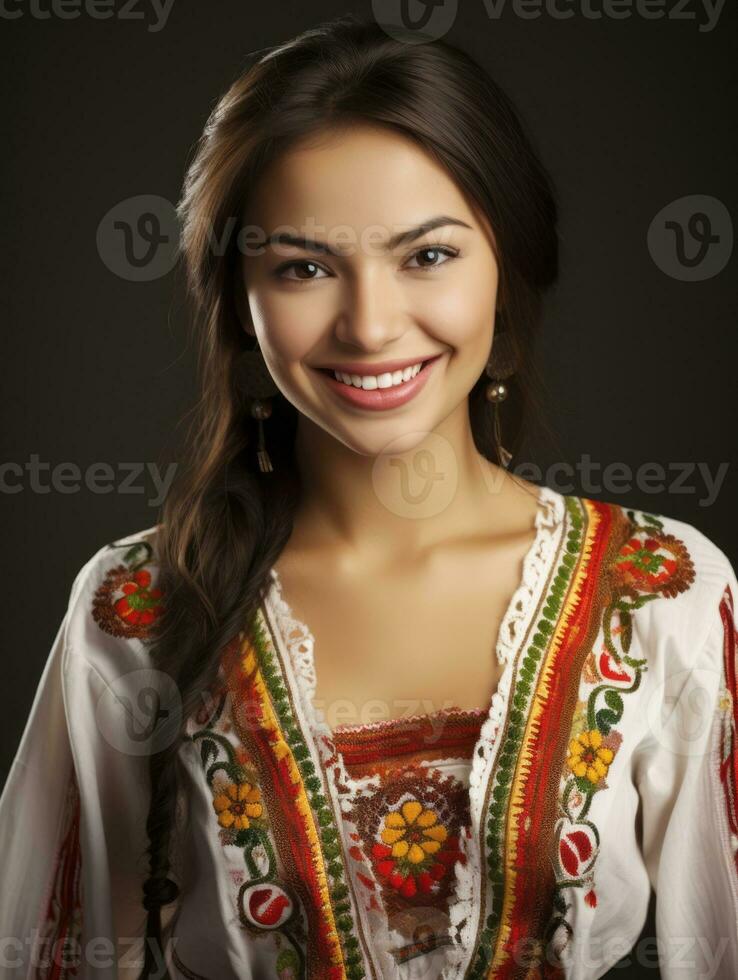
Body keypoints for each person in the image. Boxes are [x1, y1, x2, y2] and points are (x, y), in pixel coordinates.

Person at [1, 13, 736, 980]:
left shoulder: (663, 592)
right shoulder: (134, 613)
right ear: (239, 303)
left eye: (427, 255)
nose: (372, 324)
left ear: (506, 270)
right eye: (303, 268)